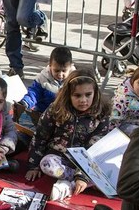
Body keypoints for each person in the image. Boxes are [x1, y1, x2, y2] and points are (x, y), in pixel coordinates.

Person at [25, 69, 112, 200]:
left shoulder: (101, 113)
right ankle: (84, 181)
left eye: (88, 94)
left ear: (95, 93)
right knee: (46, 164)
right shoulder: (56, 109)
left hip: (87, 160)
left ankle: (70, 185)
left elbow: (94, 148)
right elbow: (40, 136)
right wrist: (33, 165)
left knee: (112, 170)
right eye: (77, 95)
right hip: (59, 158)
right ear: (68, 95)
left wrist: (82, 175)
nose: (83, 100)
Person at [14, 46, 75, 124]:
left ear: (70, 66)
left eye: (64, 71)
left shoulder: (74, 81)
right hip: (42, 115)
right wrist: (25, 103)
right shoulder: (42, 79)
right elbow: (34, 93)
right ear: (50, 65)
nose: (60, 74)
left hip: (65, 118)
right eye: (56, 70)